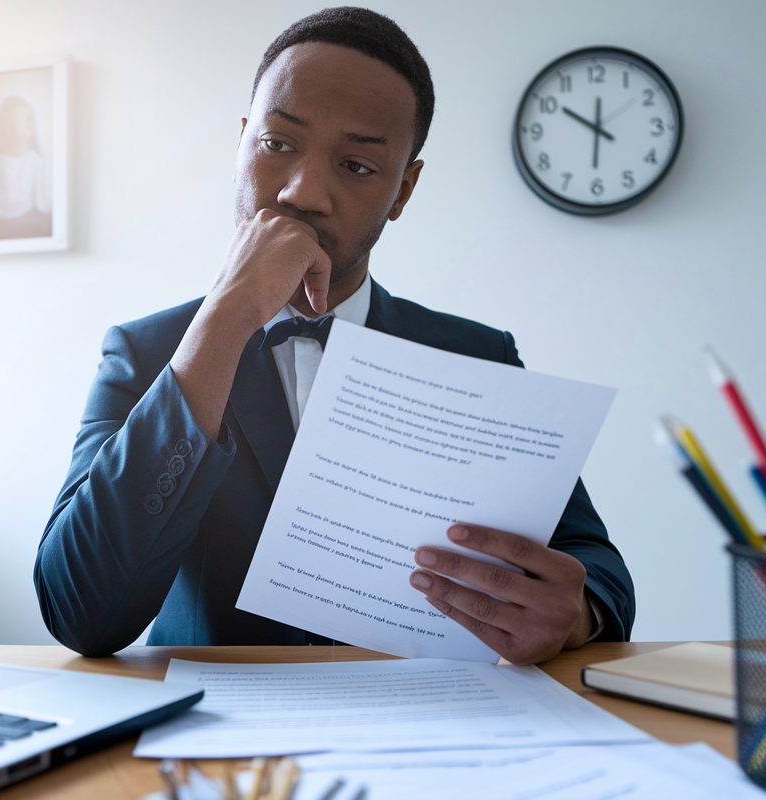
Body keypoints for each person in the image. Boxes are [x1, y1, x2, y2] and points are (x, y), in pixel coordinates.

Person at [34, 7, 634, 665]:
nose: (302, 192)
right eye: (277, 144)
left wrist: (576, 613)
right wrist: (227, 318)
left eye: (354, 165)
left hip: (433, 728)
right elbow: (79, 612)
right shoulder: (147, 352)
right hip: (215, 746)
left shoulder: (478, 356)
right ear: (241, 142)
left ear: (403, 189)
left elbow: (591, 559)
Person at [0, 95, 51, 241]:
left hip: (28, 219)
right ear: (8, 127)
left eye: (32, 118)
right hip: (0, 223)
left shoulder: (35, 159)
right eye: (25, 119)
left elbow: (41, 199)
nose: (31, 124)